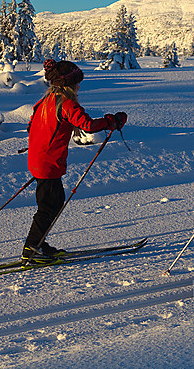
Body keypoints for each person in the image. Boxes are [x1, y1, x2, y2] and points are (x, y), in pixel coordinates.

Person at [23, 59, 127, 264]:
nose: (79, 86)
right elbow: (87, 125)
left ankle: (38, 243)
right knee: (49, 207)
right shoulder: (66, 103)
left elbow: (30, 127)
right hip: (48, 163)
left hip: (39, 160)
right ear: (67, 84)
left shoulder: (44, 101)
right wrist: (111, 121)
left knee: (52, 203)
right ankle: (31, 249)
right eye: (76, 83)